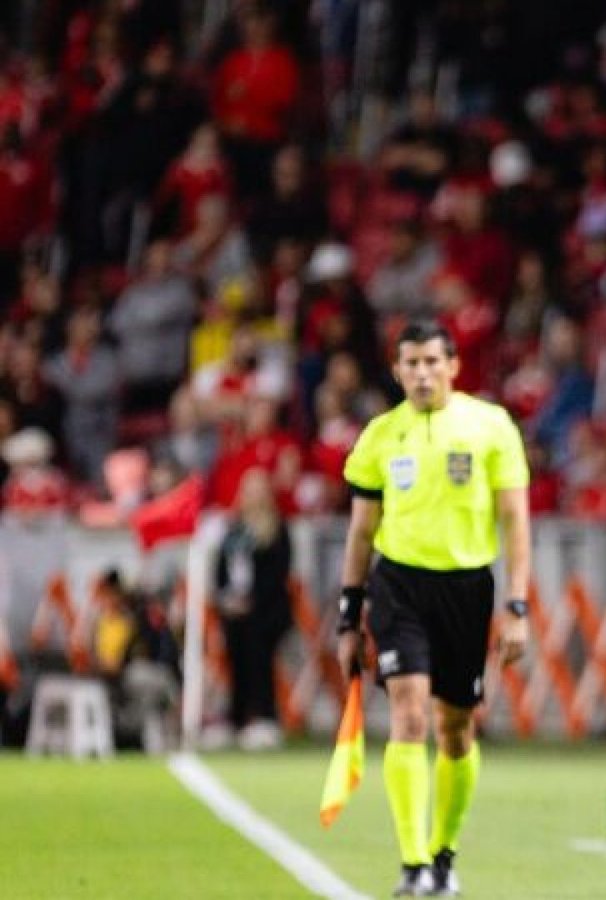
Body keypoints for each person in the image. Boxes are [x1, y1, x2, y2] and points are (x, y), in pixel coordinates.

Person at [337, 320, 531, 897]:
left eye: (431, 362)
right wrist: (349, 613)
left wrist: (518, 605)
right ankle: (413, 862)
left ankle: (443, 853)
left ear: (453, 366)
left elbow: (517, 521)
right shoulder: (378, 435)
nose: (421, 374)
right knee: (409, 713)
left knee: (454, 730)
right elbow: (360, 530)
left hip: (467, 588)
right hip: (398, 587)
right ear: (397, 371)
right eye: (410, 364)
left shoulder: (490, 426)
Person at [214, 469, 292, 750]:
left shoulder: (276, 528)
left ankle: (265, 716)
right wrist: (226, 598)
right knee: (236, 659)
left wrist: (252, 600)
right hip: (235, 609)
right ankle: (237, 717)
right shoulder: (233, 528)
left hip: (266, 610)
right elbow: (221, 567)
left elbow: (278, 574)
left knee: (259, 658)